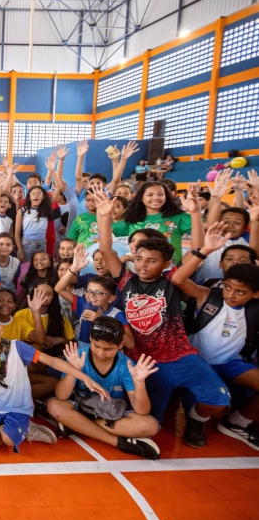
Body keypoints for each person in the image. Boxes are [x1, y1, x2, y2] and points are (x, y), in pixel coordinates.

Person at [94, 190, 231, 448]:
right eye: (139, 259)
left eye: (151, 261)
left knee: (217, 401)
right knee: (150, 424)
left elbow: (191, 260)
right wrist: (105, 217)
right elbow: (105, 248)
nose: (143, 265)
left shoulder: (172, 280)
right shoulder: (126, 280)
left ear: (167, 263)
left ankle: (195, 419)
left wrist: (204, 245)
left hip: (180, 355)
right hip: (143, 360)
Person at [0, 309, 109, 452]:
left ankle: (22, 429)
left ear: (0, 329)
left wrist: (84, 377)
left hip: (18, 407)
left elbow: (52, 361)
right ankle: (13, 429)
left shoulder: (17, 347)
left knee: (9, 440)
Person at [172, 222, 259, 450]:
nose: (231, 295)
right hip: (197, 363)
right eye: (228, 287)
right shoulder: (208, 295)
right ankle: (197, 420)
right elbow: (178, 280)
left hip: (230, 363)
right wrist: (205, 250)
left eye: (240, 292)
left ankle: (237, 422)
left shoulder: (254, 307)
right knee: (214, 404)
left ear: (255, 294)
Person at [47, 317, 162, 459]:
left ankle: (76, 425)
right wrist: (73, 370)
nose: (101, 353)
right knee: (54, 406)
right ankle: (117, 442)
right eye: (96, 346)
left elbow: (142, 410)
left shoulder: (126, 365)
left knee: (150, 426)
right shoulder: (78, 356)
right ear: (90, 339)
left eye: (108, 349)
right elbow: (61, 396)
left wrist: (140, 382)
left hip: (110, 414)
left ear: (120, 344)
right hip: (81, 408)